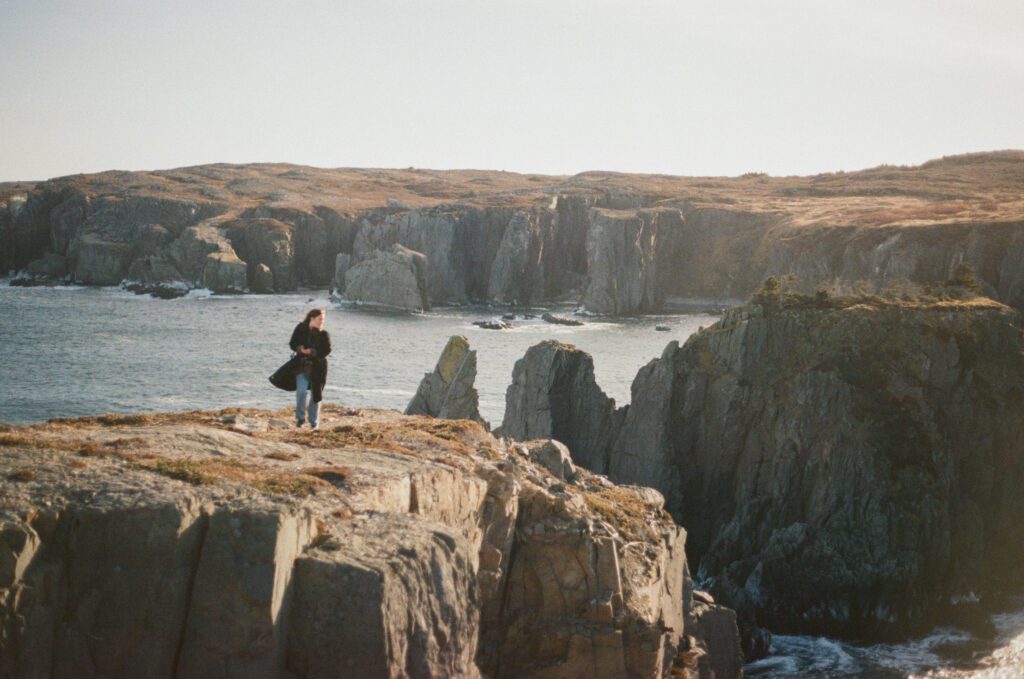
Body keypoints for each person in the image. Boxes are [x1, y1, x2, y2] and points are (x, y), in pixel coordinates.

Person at [287, 308, 332, 428]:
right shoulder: (300, 328)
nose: (322, 321)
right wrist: (300, 349)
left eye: (323, 319)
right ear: (312, 318)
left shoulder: (324, 334)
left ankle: (314, 422)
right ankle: (300, 419)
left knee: (316, 395)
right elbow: (292, 343)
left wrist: (313, 352)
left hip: (318, 368)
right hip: (301, 365)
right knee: (301, 392)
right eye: (320, 319)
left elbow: (327, 350)